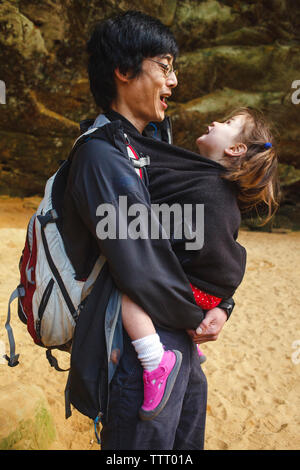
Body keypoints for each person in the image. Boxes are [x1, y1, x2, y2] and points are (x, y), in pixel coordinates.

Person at [63, 10, 235, 450]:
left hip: (177, 344)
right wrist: (201, 312)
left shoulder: (150, 150)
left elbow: (190, 240)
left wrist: (224, 305)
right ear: (123, 71)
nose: (173, 81)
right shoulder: (101, 157)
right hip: (136, 360)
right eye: (164, 66)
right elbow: (141, 266)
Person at [120, 106, 279, 421]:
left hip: (198, 296)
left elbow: (197, 250)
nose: (216, 120)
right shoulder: (212, 183)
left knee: (128, 290)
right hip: (208, 299)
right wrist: (220, 301)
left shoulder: (208, 189)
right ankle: (189, 334)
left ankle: (154, 361)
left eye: (229, 123)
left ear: (235, 149)